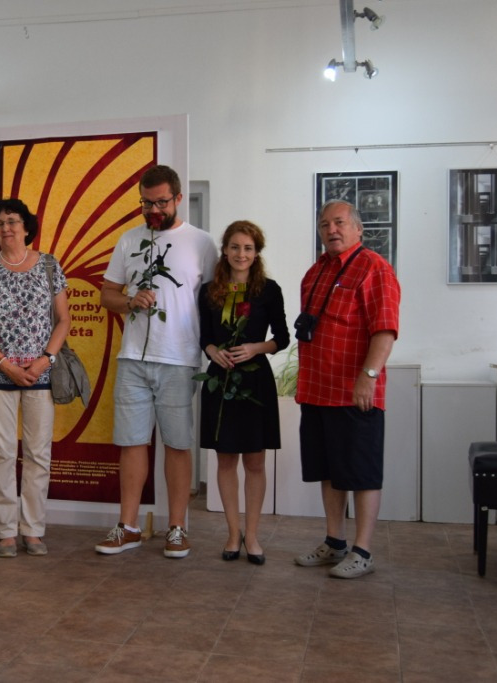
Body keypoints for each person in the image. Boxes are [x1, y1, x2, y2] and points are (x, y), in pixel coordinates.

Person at [94, 165, 218, 558]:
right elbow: (107, 295)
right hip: (133, 357)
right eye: (146, 203)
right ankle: (128, 526)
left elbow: (214, 303)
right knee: (131, 443)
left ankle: (177, 528)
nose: (153, 210)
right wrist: (130, 301)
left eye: (161, 202)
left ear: (178, 198)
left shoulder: (202, 243)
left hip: (180, 359)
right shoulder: (129, 239)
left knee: (177, 445)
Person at [293, 199, 400, 579]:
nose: (331, 230)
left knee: (362, 473)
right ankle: (335, 542)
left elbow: (385, 330)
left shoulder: (375, 268)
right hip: (317, 391)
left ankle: (363, 551)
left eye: (339, 222)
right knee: (329, 471)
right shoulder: (315, 272)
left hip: (355, 393)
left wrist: (368, 377)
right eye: (325, 224)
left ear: (357, 228)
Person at [0, 198, 70, 558]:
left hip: (40, 374)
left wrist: (45, 360)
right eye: (0, 223)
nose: (6, 228)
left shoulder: (49, 265)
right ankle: (5, 532)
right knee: (1, 453)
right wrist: (4, 364)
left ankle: (33, 529)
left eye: (13, 221)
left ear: (27, 227)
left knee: (38, 453)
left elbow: (63, 320)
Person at [198, 221, 289, 565]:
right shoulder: (209, 290)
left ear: (256, 253)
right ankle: (232, 533)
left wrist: (255, 348)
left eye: (248, 248)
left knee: (255, 461)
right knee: (225, 459)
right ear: (225, 250)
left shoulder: (269, 290)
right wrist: (212, 352)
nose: (241, 254)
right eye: (235, 247)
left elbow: (282, 338)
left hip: (255, 381)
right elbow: (204, 336)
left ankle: (252, 535)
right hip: (220, 380)